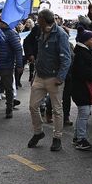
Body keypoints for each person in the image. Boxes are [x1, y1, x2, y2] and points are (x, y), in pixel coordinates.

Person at [27, 10, 72, 150]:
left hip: (54, 77)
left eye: (38, 19)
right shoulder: (40, 31)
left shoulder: (60, 34)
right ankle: (38, 132)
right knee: (33, 106)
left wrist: (61, 77)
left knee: (57, 110)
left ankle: (57, 138)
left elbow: (66, 58)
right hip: (40, 76)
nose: (37, 22)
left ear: (43, 20)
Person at [69, 29, 92, 151]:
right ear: (86, 41)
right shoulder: (82, 54)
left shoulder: (82, 52)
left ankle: (77, 137)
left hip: (81, 89)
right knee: (84, 114)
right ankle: (81, 139)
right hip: (81, 90)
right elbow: (84, 73)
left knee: (83, 113)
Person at [0, 14, 24, 118]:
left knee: (8, 88)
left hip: (6, 65)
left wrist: (19, 64)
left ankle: (9, 108)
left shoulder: (11, 33)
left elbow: (18, 49)